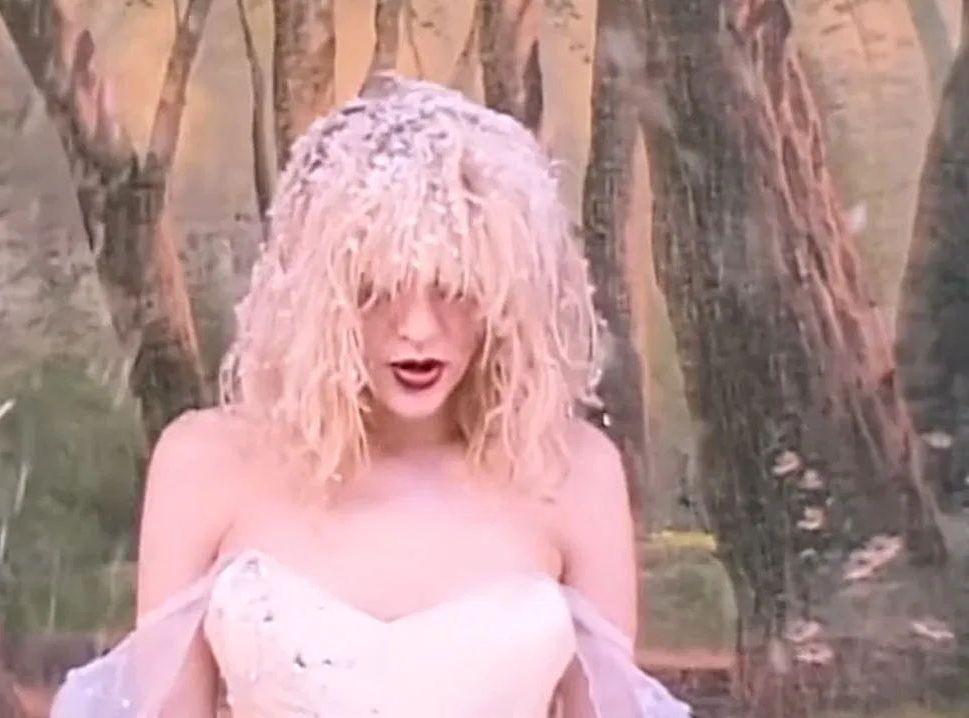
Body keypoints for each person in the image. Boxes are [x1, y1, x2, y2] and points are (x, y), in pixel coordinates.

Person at [51, 75, 689, 718]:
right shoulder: (203, 465)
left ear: (505, 295)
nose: (418, 328)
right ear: (319, 294)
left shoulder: (574, 473)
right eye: (375, 289)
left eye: (453, 288)